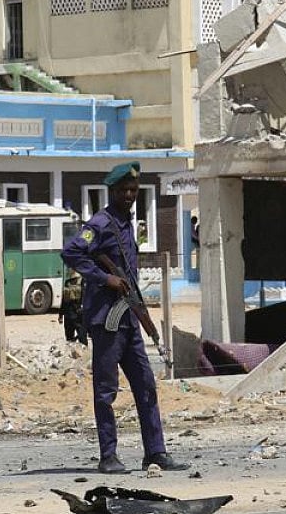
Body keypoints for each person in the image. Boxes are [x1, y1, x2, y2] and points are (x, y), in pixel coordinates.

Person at [62, 161, 189, 474]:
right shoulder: (100, 224)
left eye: (134, 190)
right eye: (124, 190)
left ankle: (155, 452)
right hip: (107, 320)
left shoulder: (126, 224)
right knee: (106, 391)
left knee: (146, 385)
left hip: (128, 318)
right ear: (113, 191)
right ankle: (108, 455)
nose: (130, 195)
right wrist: (106, 280)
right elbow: (71, 252)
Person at [59, 269, 87, 345]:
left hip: (78, 315)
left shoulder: (83, 281)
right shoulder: (67, 283)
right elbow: (64, 300)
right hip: (68, 315)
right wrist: (61, 315)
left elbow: (85, 297)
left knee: (82, 337)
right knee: (69, 339)